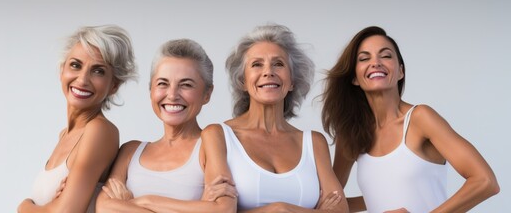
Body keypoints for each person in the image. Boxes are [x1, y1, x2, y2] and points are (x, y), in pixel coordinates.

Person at [321, 26, 500, 213]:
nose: (376, 63)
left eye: (386, 56)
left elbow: (485, 181)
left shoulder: (420, 118)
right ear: (354, 78)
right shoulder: (351, 133)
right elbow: (333, 201)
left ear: (400, 72)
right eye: (365, 58)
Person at [202, 23, 349, 212]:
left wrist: (282, 210)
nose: (268, 71)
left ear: (292, 81)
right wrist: (282, 209)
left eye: (278, 64)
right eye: (257, 64)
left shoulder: (314, 142)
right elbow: (220, 210)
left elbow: (340, 209)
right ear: (242, 82)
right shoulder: (218, 135)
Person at [95, 39, 237, 213]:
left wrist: (143, 201)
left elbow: (223, 210)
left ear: (207, 93)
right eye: (163, 83)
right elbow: (104, 208)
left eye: (186, 85)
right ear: (151, 90)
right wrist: (198, 207)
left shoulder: (210, 144)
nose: (172, 95)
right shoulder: (130, 151)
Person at [18, 25, 138, 213]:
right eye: (75, 65)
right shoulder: (64, 135)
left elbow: (66, 212)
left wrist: (24, 206)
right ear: (62, 70)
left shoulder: (100, 130)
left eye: (98, 71)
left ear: (114, 85)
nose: (82, 80)